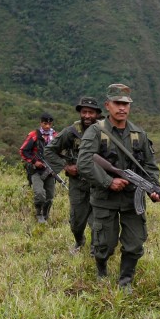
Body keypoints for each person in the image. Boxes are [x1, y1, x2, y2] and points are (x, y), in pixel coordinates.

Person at [76, 83, 160, 289]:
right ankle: (101, 270)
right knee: (104, 243)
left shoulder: (139, 134)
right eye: (117, 103)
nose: (122, 108)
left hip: (133, 198)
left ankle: (125, 281)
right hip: (105, 198)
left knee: (135, 242)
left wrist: (155, 187)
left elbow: (149, 166)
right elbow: (84, 163)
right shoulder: (96, 131)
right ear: (108, 105)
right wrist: (108, 181)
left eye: (126, 104)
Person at [45, 96, 102, 252]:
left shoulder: (105, 131)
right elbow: (49, 150)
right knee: (77, 222)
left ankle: (95, 250)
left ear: (97, 114)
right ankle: (79, 241)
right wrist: (66, 166)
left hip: (100, 183)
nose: (87, 116)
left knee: (98, 221)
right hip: (78, 183)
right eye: (84, 112)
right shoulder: (71, 132)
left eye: (91, 112)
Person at [20, 112, 58, 223]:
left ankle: (46, 215)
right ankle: (39, 214)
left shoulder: (55, 136)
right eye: (45, 123)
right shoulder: (34, 135)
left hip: (50, 170)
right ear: (41, 123)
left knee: (50, 197)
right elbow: (23, 151)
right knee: (40, 193)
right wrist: (34, 161)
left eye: (49, 124)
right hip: (36, 170)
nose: (47, 126)